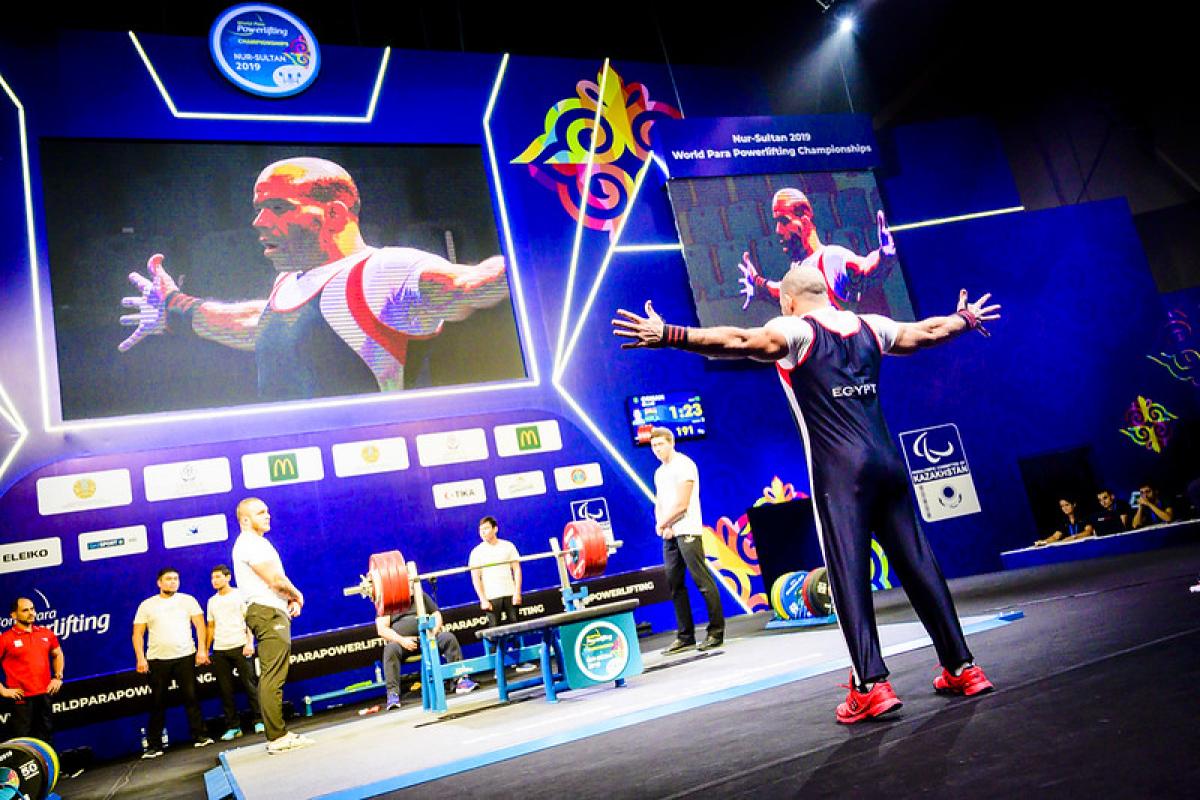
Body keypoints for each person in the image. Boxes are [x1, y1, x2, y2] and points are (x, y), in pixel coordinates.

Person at [612, 264, 1001, 723]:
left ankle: (870, 687)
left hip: (840, 474)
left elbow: (738, 341)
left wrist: (668, 333)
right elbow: (927, 331)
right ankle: (962, 667)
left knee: (847, 575)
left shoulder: (794, 330)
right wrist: (966, 321)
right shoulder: (870, 325)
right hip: (888, 463)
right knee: (919, 565)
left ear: (790, 301)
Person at [118, 157, 511, 400]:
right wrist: (176, 307)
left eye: (277, 208)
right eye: (259, 209)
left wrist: (534, 257)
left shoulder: (383, 272)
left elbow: (468, 286)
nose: (258, 223)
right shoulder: (290, 281)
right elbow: (260, 325)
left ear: (335, 215)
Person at [232, 497, 313, 754]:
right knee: (272, 675)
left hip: (269, 610)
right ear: (245, 519)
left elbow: (277, 583)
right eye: (260, 512)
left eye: (267, 510)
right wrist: (296, 594)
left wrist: (288, 600)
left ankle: (277, 734)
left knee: (273, 673)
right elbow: (276, 581)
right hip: (266, 613)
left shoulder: (257, 542)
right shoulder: (249, 543)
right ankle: (277, 737)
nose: (268, 515)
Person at [736, 188, 896, 311]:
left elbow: (864, 269)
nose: (778, 230)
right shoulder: (798, 268)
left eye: (784, 221)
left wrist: (884, 257)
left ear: (804, 220)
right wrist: (757, 283)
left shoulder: (830, 257)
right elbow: (780, 291)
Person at [649, 427, 725, 654]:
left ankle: (715, 632)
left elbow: (682, 504)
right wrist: (661, 525)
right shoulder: (659, 473)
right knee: (674, 583)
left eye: (661, 444)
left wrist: (665, 523)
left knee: (702, 581)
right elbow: (660, 503)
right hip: (670, 533)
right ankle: (685, 636)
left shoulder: (684, 465)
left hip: (688, 529)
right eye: (653, 446)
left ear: (671, 443)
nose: (657, 449)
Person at [132, 568, 213, 756]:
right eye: (168, 579)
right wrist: (140, 658)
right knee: (157, 702)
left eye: (176, 579)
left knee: (192, 698)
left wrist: (202, 650)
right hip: (157, 660)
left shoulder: (188, 600)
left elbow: (200, 626)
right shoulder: (147, 605)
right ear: (159, 583)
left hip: (185, 656)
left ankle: (200, 736)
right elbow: (137, 634)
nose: (173, 582)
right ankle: (154, 745)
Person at [375, 588, 477, 710]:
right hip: (403, 643)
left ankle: (460, 680)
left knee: (448, 638)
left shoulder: (421, 596)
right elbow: (381, 629)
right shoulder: (390, 602)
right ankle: (393, 694)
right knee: (390, 650)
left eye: (411, 582)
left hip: (428, 639)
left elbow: (436, 615)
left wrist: (432, 634)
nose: (410, 585)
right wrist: (402, 640)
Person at [469, 516, 535, 673]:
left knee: (516, 627)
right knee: (494, 633)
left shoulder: (508, 546)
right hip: (491, 597)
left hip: (510, 593)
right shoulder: (477, 552)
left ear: (495, 529)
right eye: (480, 530)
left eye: (486, 529)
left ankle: (521, 662)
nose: (483, 532)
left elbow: (517, 570)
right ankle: (498, 669)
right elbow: (475, 578)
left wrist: (517, 592)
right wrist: (483, 599)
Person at [206, 564, 263, 741]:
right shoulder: (212, 601)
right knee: (225, 690)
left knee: (250, 685)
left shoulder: (239, 595)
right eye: (213, 578)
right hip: (220, 650)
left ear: (228, 577)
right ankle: (233, 727)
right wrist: (206, 649)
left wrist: (249, 643)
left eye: (218, 577)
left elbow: (249, 621)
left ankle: (260, 720)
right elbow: (211, 626)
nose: (215, 581)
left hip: (240, 646)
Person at [0, 597, 64, 743]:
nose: (31, 613)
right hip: (21, 699)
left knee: (46, 736)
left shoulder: (46, 633)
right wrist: (3, 690)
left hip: (44, 695)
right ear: (14, 615)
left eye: (32, 609)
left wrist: (58, 677)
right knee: (23, 740)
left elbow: (57, 653)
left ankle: (49, 766)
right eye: (25, 610)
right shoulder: (5, 639)